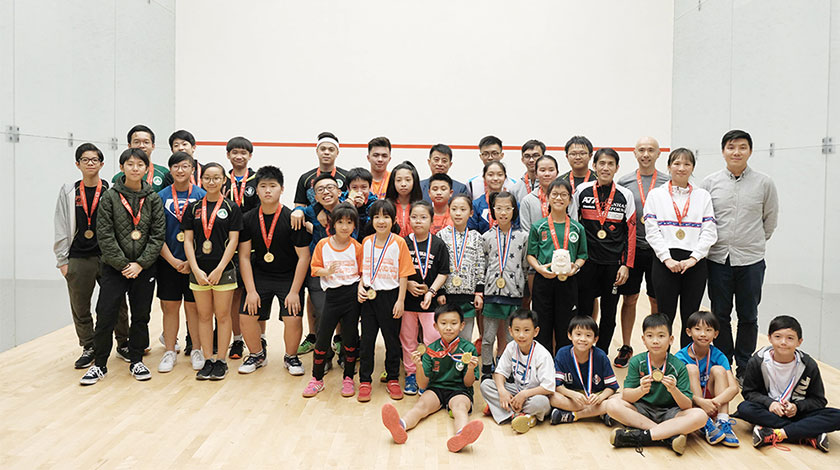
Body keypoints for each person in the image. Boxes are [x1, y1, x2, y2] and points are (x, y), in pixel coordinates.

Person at [80, 148, 165, 385]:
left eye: (140, 165)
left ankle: (136, 360)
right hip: (114, 268)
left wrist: (140, 264)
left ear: (146, 169)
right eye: (130, 164)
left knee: (141, 316)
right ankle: (99, 364)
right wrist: (123, 264)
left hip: (144, 269)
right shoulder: (110, 197)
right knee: (105, 315)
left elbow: (157, 236)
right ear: (121, 168)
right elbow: (105, 235)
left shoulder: (153, 198)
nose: (135, 168)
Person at [702, 130, 779, 381]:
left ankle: (745, 367)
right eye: (731, 147)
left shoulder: (764, 183)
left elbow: (770, 220)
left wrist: (753, 242)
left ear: (750, 151)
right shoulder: (710, 183)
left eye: (742, 147)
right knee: (720, 315)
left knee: (748, 315)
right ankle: (723, 364)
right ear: (723, 151)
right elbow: (704, 220)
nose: (737, 152)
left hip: (751, 260)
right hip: (718, 259)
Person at [54, 143, 128, 369]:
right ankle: (89, 346)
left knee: (117, 302)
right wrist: (62, 260)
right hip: (78, 258)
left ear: (102, 164)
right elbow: (61, 224)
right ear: (77, 164)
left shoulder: (111, 190)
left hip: (108, 257)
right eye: (85, 160)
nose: (90, 163)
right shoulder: (69, 192)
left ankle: (123, 343)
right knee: (80, 306)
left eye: (94, 160)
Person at [237, 166, 311, 376]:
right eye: (263, 186)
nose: (268, 190)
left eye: (273, 186)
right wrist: (251, 291)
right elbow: (244, 256)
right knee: (246, 315)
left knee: (293, 317)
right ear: (256, 190)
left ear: (282, 189)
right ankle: (257, 355)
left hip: (288, 276)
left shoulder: (292, 218)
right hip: (260, 275)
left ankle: (291, 357)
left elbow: (304, 257)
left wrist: (294, 291)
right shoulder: (248, 218)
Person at [381, 303, 483, 453]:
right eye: (443, 323)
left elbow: (468, 383)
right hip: (436, 389)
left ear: (462, 326)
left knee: (459, 408)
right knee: (421, 406)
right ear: (435, 326)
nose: (448, 328)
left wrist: (471, 368)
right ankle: (400, 425)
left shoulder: (468, 349)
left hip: (460, 390)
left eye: (454, 323)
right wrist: (419, 366)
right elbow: (423, 385)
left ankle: (461, 435)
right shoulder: (431, 349)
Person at [604, 313, 707, 455]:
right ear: (643, 339)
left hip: (670, 412)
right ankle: (667, 436)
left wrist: (674, 390)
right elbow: (626, 396)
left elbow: (687, 405)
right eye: (650, 336)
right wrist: (641, 390)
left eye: (661, 336)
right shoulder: (637, 362)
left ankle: (644, 436)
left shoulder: (678, 366)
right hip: (642, 410)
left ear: (671, 339)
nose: (655, 341)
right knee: (612, 405)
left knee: (700, 415)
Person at [645, 148, 717, 347]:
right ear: (669, 166)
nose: (681, 168)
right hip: (664, 263)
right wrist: (666, 258)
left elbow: (709, 231)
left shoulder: (703, 196)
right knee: (665, 315)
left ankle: (688, 359)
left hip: (694, 263)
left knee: (691, 316)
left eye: (687, 164)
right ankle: (663, 359)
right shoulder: (656, 195)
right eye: (676, 163)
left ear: (693, 167)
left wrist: (694, 258)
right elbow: (652, 230)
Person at [738, 315, 840, 452]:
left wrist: (797, 407)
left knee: (837, 416)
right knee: (745, 408)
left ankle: (776, 433)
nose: (783, 342)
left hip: (797, 412)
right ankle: (807, 432)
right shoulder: (757, 361)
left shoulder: (808, 365)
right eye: (778, 337)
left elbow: (819, 400)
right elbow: (749, 393)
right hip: (770, 411)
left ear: (799, 342)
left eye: (790, 338)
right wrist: (770, 403)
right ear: (769, 338)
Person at [570, 148, 636, 354]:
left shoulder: (625, 195)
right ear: (594, 166)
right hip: (587, 263)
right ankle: (582, 352)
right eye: (602, 163)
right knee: (584, 310)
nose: (606, 168)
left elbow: (631, 232)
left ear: (617, 168)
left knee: (609, 312)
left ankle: (602, 353)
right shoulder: (582, 191)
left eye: (610, 164)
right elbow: (573, 225)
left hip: (613, 265)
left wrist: (626, 265)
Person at [182, 163, 243, 381]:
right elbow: (188, 240)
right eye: (207, 177)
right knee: (204, 316)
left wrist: (219, 269)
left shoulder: (232, 208)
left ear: (224, 180)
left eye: (216, 178)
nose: (211, 181)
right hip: (199, 271)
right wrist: (195, 269)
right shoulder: (193, 208)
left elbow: (233, 241)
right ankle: (208, 359)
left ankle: (221, 361)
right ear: (201, 180)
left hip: (223, 270)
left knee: (223, 316)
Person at [614, 136, 669, 368]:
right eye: (641, 150)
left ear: (659, 154)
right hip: (633, 248)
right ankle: (627, 346)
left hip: (659, 250)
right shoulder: (624, 182)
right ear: (634, 153)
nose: (646, 154)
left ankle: (655, 349)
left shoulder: (667, 182)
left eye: (651, 150)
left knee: (656, 300)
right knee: (630, 298)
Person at [302, 202, 363, 398]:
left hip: (351, 297)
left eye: (349, 222)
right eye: (340, 222)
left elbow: (362, 273)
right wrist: (326, 271)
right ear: (333, 224)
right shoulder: (323, 245)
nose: (344, 226)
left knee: (350, 339)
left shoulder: (357, 247)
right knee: (322, 338)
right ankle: (317, 379)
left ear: (354, 225)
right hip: (332, 298)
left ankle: (348, 378)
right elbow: (315, 269)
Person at [357, 200, 414, 402]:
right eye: (377, 217)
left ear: (394, 220)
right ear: (371, 220)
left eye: (386, 217)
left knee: (392, 341)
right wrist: (360, 287)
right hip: (369, 296)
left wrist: (401, 300)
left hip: (391, 296)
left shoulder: (399, 242)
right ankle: (365, 380)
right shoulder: (366, 242)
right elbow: (363, 271)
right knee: (367, 341)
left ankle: (392, 378)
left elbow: (404, 274)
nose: (381, 221)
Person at [156, 152, 206, 373]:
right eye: (176, 166)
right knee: (169, 307)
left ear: (192, 169)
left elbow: (206, 233)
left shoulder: (202, 196)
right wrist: (173, 260)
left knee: (194, 307)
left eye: (185, 166)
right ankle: (169, 350)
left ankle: (196, 349)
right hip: (168, 261)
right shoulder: (160, 196)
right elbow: (156, 233)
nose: (180, 170)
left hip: (195, 264)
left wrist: (191, 262)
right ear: (170, 170)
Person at [527, 179, 587, 353]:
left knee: (566, 325)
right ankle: (543, 362)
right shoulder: (538, 226)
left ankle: (563, 363)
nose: (559, 198)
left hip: (568, 282)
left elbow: (582, 255)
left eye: (563, 195)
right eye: (554, 194)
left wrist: (575, 267)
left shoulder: (577, 228)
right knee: (542, 324)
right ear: (547, 198)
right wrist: (539, 269)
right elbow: (530, 255)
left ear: (570, 199)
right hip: (543, 281)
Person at [400, 200, 450, 395]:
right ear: (409, 219)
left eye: (423, 217)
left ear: (431, 220)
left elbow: (443, 272)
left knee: (432, 338)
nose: (418, 221)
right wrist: (407, 285)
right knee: (408, 339)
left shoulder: (438, 244)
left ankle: (429, 373)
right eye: (414, 217)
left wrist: (431, 292)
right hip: (407, 302)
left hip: (429, 302)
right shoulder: (403, 243)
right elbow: (397, 270)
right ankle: (412, 373)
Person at [480, 308, 553, 433]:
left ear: (535, 332)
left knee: (541, 403)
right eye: (517, 330)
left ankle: (502, 409)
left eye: (526, 330)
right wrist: (502, 391)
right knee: (486, 385)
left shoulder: (543, 355)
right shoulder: (511, 347)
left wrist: (524, 395)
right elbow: (499, 373)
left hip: (534, 395)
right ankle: (519, 415)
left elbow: (548, 387)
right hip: (516, 390)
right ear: (510, 331)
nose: (521, 335)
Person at [674, 311, 740, 447]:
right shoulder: (680, 357)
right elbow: (677, 390)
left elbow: (734, 388)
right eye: (698, 329)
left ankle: (722, 420)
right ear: (688, 332)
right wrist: (700, 402)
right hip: (692, 402)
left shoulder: (719, 355)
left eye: (708, 330)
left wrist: (712, 402)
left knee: (719, 370)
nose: (703, 334)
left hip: (713, 404)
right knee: (691, 369)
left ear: (715, 334)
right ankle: (704, 421)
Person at [480, 192, 528, 378]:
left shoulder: (523, 237)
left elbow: (525, 265)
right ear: (493, 210)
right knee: (488, 337)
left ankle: (509, 369)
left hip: (513, 293)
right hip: (491, 293)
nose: (503, 212)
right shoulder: (486, 237)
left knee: (511, 338)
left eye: (507, 208)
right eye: (498, 208)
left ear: (514, 210)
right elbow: (483, 264)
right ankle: (486, 368)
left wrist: (523, 287)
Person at [298, 174, 343, 363]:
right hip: (319, 271)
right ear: (315, 197)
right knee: (323, 314)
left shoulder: (349, 209)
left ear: (339, 191)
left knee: (347, 316)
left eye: (330, 188)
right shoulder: (311, 211)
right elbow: (300, 209)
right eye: (320, 190)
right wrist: (297, 211)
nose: (326, 192)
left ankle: (346, 354)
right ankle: (324, 356)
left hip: (345, 270)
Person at [223, 136, 259, 360]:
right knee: (235, 295)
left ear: (250, 156)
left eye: (243, 152)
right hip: (227, 248)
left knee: (256, 294)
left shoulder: (258, 180)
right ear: (228, 155)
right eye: (234, 152)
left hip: (253, 247)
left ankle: (260, 338)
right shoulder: (221, 180)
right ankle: (237, 340)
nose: (239, 156)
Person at [549, 315, 618, 424]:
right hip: (574, 397)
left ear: (595, 339)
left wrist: (600, 398)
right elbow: (557, 386)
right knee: (552, 397)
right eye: (578, 334)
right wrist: (572, 394)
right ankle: (600, 412)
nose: (583, 339)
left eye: (588, 335)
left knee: (619, 397)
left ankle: (573, 415)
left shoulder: (601, 356)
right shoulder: (562, 354)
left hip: (596, 396)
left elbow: (612, 387)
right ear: (569, 335)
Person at [436, 194, 486, 344]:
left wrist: (479, 293)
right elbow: (439, 265)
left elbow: (480, 264)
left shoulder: (476, 237)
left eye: (463, 209)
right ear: (449, 210)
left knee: (465, 338)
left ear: (471, 213)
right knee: (446, 335)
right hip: (447, 296)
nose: (458, 213)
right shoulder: (441, 235)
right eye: (454, 209)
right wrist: (440, 291)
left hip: (468, 297)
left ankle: (464, 360)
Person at [112, 125, 170, 192]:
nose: (141, 146)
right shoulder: (118, 178)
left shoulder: (164, 173)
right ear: (129, 146)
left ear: (153, 146)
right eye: (136, 142)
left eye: (146, 142)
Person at [468, 161, 516, 234]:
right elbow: (472, 231)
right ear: (484, 177)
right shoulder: (476, 205)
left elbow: (517, 228)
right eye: (490, 175)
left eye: (500, 175)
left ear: (505, 178)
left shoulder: (513, 203)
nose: (495, 178)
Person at [519, 155, 560, 233]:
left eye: (551, 170)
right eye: (542, 170)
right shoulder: (528, 200)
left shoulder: (566, 197)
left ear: (557, 173)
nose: (547, 174)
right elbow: (526, 231)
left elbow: (573, 226)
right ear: (536, 174)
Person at [385, 161, 424, 238]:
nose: (403, 184)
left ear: (414, 181)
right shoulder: (387, 206)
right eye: (398, 180)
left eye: (408, 180)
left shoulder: (422, 207)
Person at [340, 167, 378, 239]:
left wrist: (361, 210)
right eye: (354, 187)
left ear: (370, 188)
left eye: (364, 187)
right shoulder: (340, 200)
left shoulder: (375, 205)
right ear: (348, 188)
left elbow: (369, 231)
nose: (359, 192)